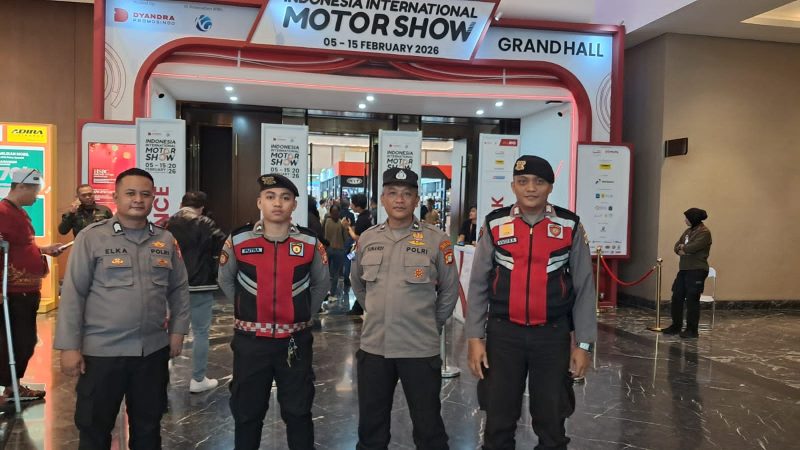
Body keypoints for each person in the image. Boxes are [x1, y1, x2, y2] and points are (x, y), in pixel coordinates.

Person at [466, 155, 597, 450]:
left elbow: (584, 288)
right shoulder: (495, 223)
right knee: (498, 419)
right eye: (523, 181)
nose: (531, 188)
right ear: (513, 186)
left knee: (552, 421)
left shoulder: (569, 225)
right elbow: (478, 284)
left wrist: (584, 345)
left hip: (552, 336)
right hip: (503, 335)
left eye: (539, 182)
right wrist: (475, 337)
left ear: (550, 186)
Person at [54, 167, 190, 449]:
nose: (138, 199)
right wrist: (69, 347)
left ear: (153, 199)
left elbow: (179, 289)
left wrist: (178, 331)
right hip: (102, 354)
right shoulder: (92, 237)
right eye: (130, 193)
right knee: (94, 428)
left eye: (145, 194)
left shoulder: (165, 240)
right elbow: (74, 293)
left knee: (148, 428)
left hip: (151, 352)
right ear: (116, 197)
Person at [350, 168, 459, 450]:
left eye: (407, 194)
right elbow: (358, 285)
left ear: (416, 199)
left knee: (429, 429)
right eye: (393, 193)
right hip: (375, 347)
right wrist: (375, 312)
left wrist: (431, 325)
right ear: (383, 198)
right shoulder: (367, 239)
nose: (399, 200)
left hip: (419, 348)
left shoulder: (437, 239)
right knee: (371, 430)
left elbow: (449, 291)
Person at [218, 174, 329, 450]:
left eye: (285, 198)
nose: (277, 203)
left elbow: (321, 284)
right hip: (250, 343)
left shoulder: (310, 242)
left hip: (295, 342)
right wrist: (247, 309)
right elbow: (226, 280)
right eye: (270, 197)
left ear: (294, 205)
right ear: (260, 202)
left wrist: (301, 314)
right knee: (247, 413)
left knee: (298, 412)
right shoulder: (238, 239)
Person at [0, 169, 64, 404]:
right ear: (21, 187)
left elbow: (21, 247)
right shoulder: (3, 213)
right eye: (35, 191)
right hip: (11, 291)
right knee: (14, 341)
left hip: (27, 291)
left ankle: (13, 386)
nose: (37, 197)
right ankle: (11, 387)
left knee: (24, 340)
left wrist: (44, 250)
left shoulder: (20, 213)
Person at [165, 191, 226, 393]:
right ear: (201, 207)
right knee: (201, 333)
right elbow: (223, 245)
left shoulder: (168, 223)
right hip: (201, 284)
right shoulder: (206, 223)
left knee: (169, 330)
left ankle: (164, 372)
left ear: (181, 204)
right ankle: (198, 379)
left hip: (173, 284)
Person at [662, 208, 712, 339]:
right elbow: (676, 246)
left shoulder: (704, 232)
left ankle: (692, 330)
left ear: (693, 219)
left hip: (697, 270)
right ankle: (676, 326)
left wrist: (684, 248)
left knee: (692, 299)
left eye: (687, 218)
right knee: (676, 296)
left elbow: (692, 248)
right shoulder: (688, 231)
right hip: (684, 269)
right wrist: (681, 248)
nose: (685, 220)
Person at [344, 193, 372, 316]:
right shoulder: (367, 216)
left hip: (361, 252)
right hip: (364, 252)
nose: (350, 205)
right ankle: (358, 306)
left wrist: (348, 227)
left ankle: (361, 306)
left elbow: (357, 238)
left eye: (352, 203)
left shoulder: (362, 219)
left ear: (357, 206)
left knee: (355, 278)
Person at [322, 204, 349, 303]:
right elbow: (346, 238)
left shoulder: (326, 221)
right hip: (339, 250)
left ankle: (325, 292)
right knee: (336, 273)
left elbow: (321, 234)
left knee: (326, 272)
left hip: (328, 249)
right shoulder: (341, 223)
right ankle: (332, 293)